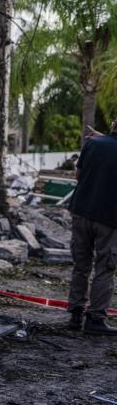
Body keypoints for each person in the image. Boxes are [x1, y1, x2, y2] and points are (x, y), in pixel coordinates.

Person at [67, 118, 117, 335]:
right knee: (105, 268)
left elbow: (78, 176)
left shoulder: (94, 144)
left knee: (81, 265)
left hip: (81, 211)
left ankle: (75, 314)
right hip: (110, 219)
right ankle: (95, 319)